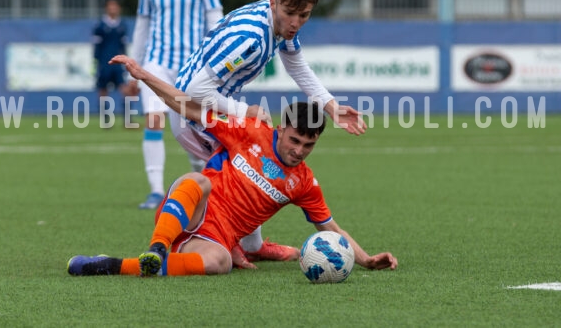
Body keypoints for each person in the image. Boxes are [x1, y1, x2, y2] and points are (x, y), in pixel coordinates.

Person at [67, 55, 398, 277]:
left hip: (214, 239)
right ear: (281, 128)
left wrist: (367, 259)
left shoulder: (304, 184)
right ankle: (157, 246)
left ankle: (113, 265)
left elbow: (331, 229)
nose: (299, 151)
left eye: (308, 145)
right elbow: (187, 106)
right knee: (199, 180)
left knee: (220, 263)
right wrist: (142, 76)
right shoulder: (248, 131)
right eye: (294, 140)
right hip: (189, 210)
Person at [168, 0, 367, 266]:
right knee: (250, 159)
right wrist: (242, 110)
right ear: (274, 4)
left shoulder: (278, 22)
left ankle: (249, 244)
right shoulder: (251, 38)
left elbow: (296, 65)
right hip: (192, 109)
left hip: (209, 103)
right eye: (290, 14)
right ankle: (227, 242)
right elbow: (195, 89)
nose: (296, 23)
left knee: (255, 154)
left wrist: (330, 106)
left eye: (304, 16)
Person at [129, 0, 223, 210]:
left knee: (196, 129)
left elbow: (215, 19)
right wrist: (133, 66)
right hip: (156, 63)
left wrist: (217, 61)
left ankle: (202, 185)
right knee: (154, 119)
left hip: (192, 69)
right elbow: (142, 25)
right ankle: (156, 191)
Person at [92, 0, 130, 109]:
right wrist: (96, 62)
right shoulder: (100, 26)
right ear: (106, 9)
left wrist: (125, 61)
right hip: (104, 63)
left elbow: (123, 46)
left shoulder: (122, 25)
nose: (113, 9)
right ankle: (105, 116)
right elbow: (97, 46)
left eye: (115, 6)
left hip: (118, 64)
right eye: (110, 6)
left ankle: (127, 116)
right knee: (103, 89)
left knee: (124, 88)